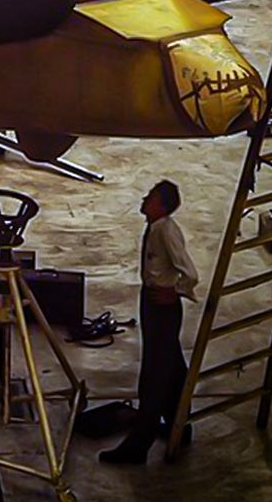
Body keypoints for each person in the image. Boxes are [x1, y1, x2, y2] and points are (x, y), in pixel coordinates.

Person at [101, 180, 200, 465]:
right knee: (172, 366)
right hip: (152, 300)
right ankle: (178, 424)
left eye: (151, 198)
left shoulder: (167, 231)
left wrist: (176, 290)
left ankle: (139, 444)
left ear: (163, 206)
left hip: (162, 304)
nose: (145, 200)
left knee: (155, 374)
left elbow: (190, 273)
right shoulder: (155, 228)